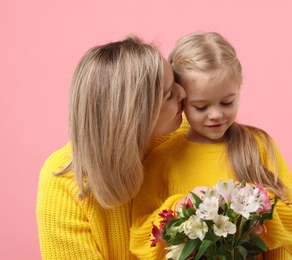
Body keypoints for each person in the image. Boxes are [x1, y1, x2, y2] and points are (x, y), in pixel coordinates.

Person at [130, 32, 292, 259]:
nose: (216, 115)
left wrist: (251, 207)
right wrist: (181, 208)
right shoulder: (162, 159)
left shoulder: (258, 146)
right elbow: (140, 240)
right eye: (201, 107)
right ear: (181, 99)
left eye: (227, 102)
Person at [36, 36, 187, 259]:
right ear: (135, 114)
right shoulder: (64, 184)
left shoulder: (185, 135)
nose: (183, 94)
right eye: (168, 95)